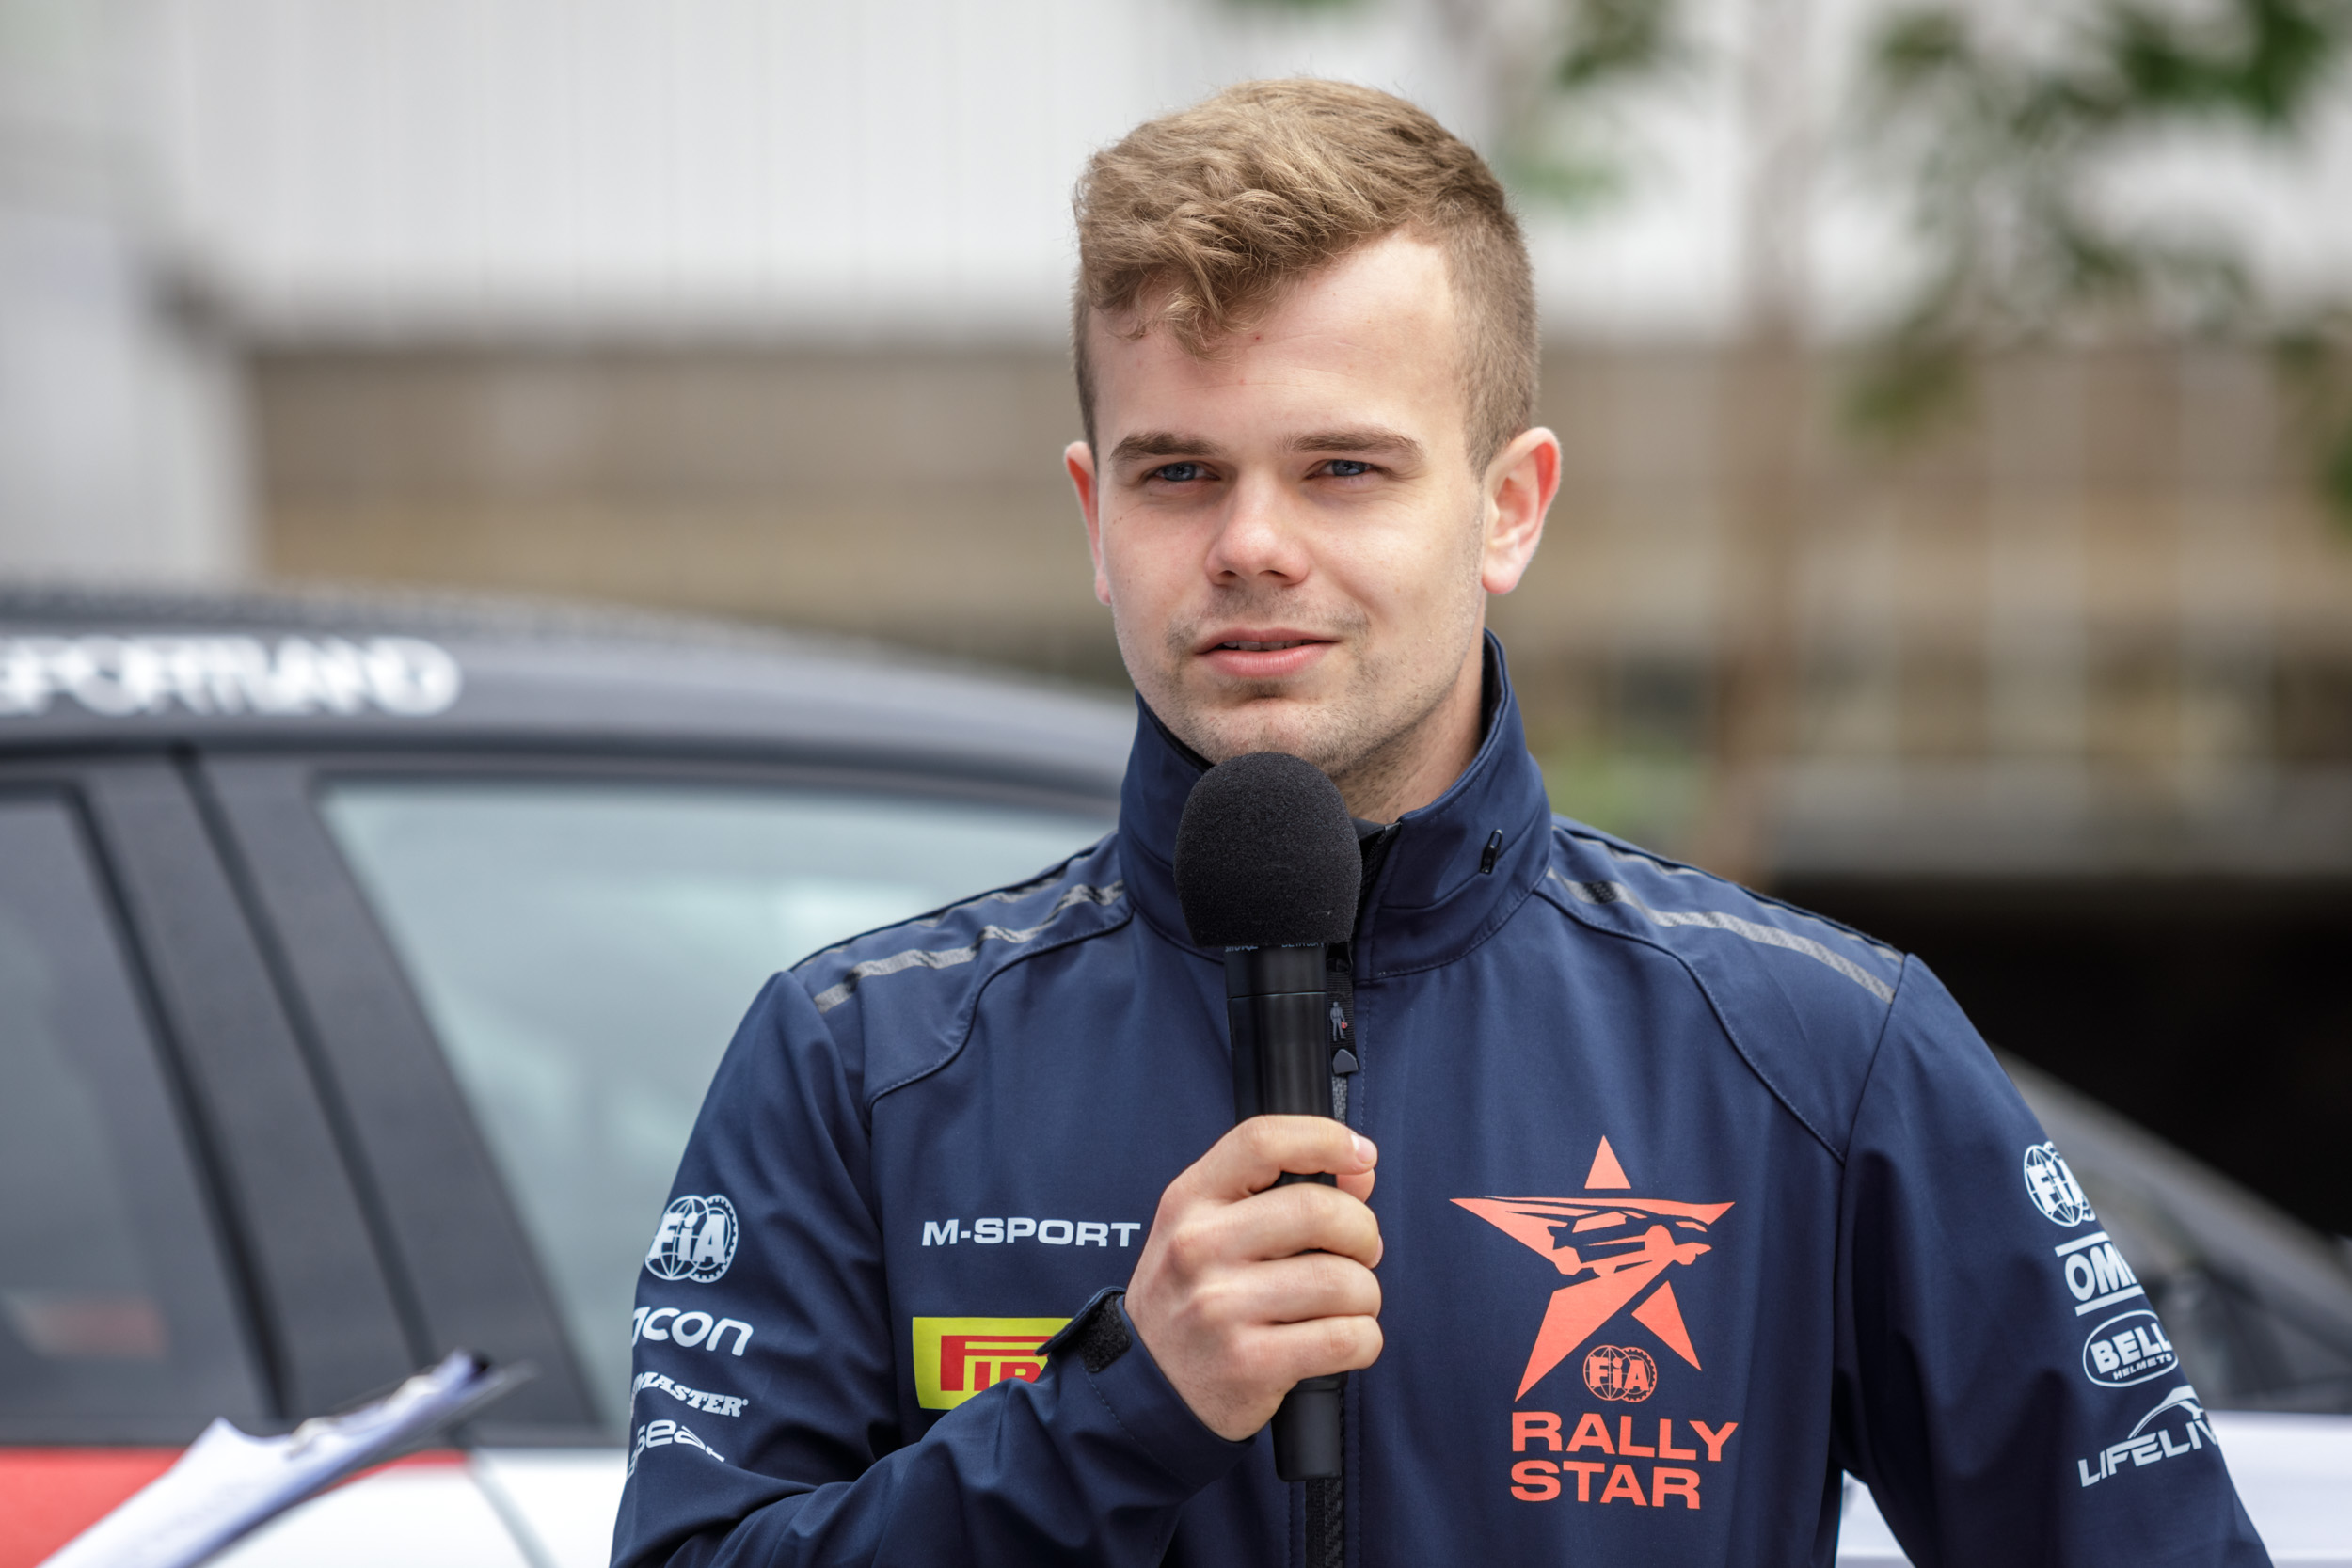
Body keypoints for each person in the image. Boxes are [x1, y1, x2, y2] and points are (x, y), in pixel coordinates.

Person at [612, 79, 2266, 1568]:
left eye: (1344, 469)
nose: (1253, 544)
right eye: (1179, 474)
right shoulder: (860, 1061)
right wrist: (1116, 1409)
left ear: (1509, 508)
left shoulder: (1822, 1053)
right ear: (1093, 516)